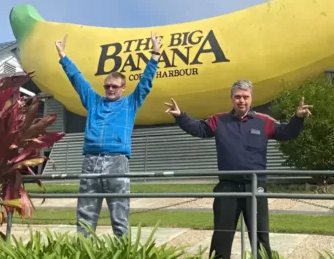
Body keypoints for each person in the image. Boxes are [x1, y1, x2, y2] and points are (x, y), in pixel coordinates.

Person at [164, 79, 312, 259]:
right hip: (227, 187)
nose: (241, 100)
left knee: (260, 236)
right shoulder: (219, 120)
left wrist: (298, 118)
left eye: (245, 97)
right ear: (232, 99)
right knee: (221, 236)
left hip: (255, 187)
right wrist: (180, 116)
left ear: (251, 99)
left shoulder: (263, 121)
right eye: (238, 97)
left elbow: (286, 132)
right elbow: (199, 129)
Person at [55, 32, 162, 238]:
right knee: (85, 213)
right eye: (107, 86)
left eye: (114, 86)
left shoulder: (130, 103)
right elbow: (78, 80)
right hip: (91, 161)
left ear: (123, 88)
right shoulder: (94, 101)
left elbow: (146, 83)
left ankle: (122, 251)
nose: (110, 89)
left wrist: (155, 54)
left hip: (117, 161)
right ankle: (83, 250)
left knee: (119, 212)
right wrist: (63, 56)